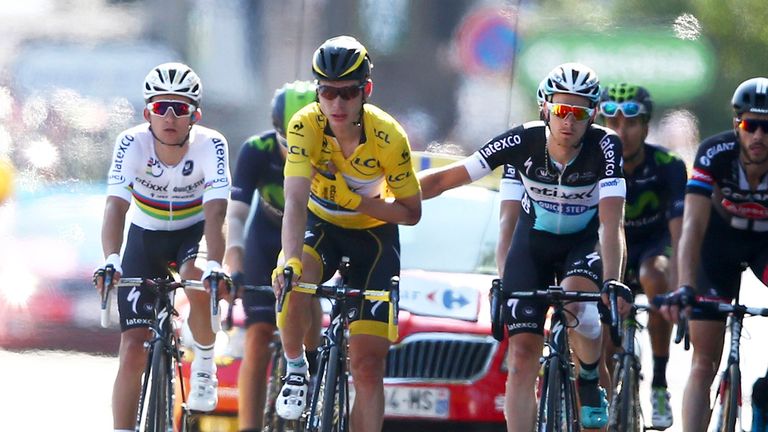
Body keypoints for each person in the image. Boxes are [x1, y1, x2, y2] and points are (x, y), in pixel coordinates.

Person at [419, 62, 633, 432]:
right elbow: (447, 179)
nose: (569, 121)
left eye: (580, 113)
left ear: (593, 114)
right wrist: (386, 191)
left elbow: (611, 223)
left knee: (577, 299)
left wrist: (611, 282)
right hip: (533, 243)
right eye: (562, 110)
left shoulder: (606, 146)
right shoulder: (522, 139)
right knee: (520, 358)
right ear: (546, 107)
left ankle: (587, 377)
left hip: (582, 244)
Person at [271, 35, 422, 432]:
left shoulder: (390, 137)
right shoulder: (304, 125)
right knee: (294, 276)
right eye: (327, 92)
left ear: (365, 91)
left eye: (348, 93)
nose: (336, 104)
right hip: (323, 227)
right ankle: (296, 367)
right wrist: (288, 259)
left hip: (375, 236)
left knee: (368, 365)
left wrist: (357, 202)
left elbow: (411, 213)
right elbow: (294, 200)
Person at [93, 62, 230, 432]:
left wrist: (216, 263)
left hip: (193, 232)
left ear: (194, 116)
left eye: (180, 108)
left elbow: (217, 212)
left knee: (197, 275)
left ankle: (203, 361)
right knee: (132, 349)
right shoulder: (131, 142)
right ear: (146, 113)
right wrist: (111, 259)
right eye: (161, 107)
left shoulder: (212, 144)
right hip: (145, 236)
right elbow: (115, 206)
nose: (170, 116)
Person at [658, 77, 768, 432]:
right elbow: (691, 228)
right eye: (751, 126)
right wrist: (686, 286)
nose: (758, 137)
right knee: (704, 361)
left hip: (765, 245)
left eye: (767, 128)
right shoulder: (714, 153)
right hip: (717, 244)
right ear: (737, 123)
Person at [222, 80, 321, 432]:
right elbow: (234, 215)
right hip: (265, 239)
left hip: (311, 238)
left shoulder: (331, 150)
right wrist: (233, 262)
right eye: (288, 145)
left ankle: (312, 371)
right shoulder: (256, 150)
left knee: (305, 298)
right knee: (258, 333)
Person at [598, 83, 687, 430]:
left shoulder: (668, 165)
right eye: (612, 121)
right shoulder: (593, 161)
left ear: (647, 125)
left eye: (631, 123)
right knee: (603, 332)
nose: (621, 131)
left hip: (654, 243)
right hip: (610, 245)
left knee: (656, 276)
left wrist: (682, 283)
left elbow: (681, 231)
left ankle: (660, 384)